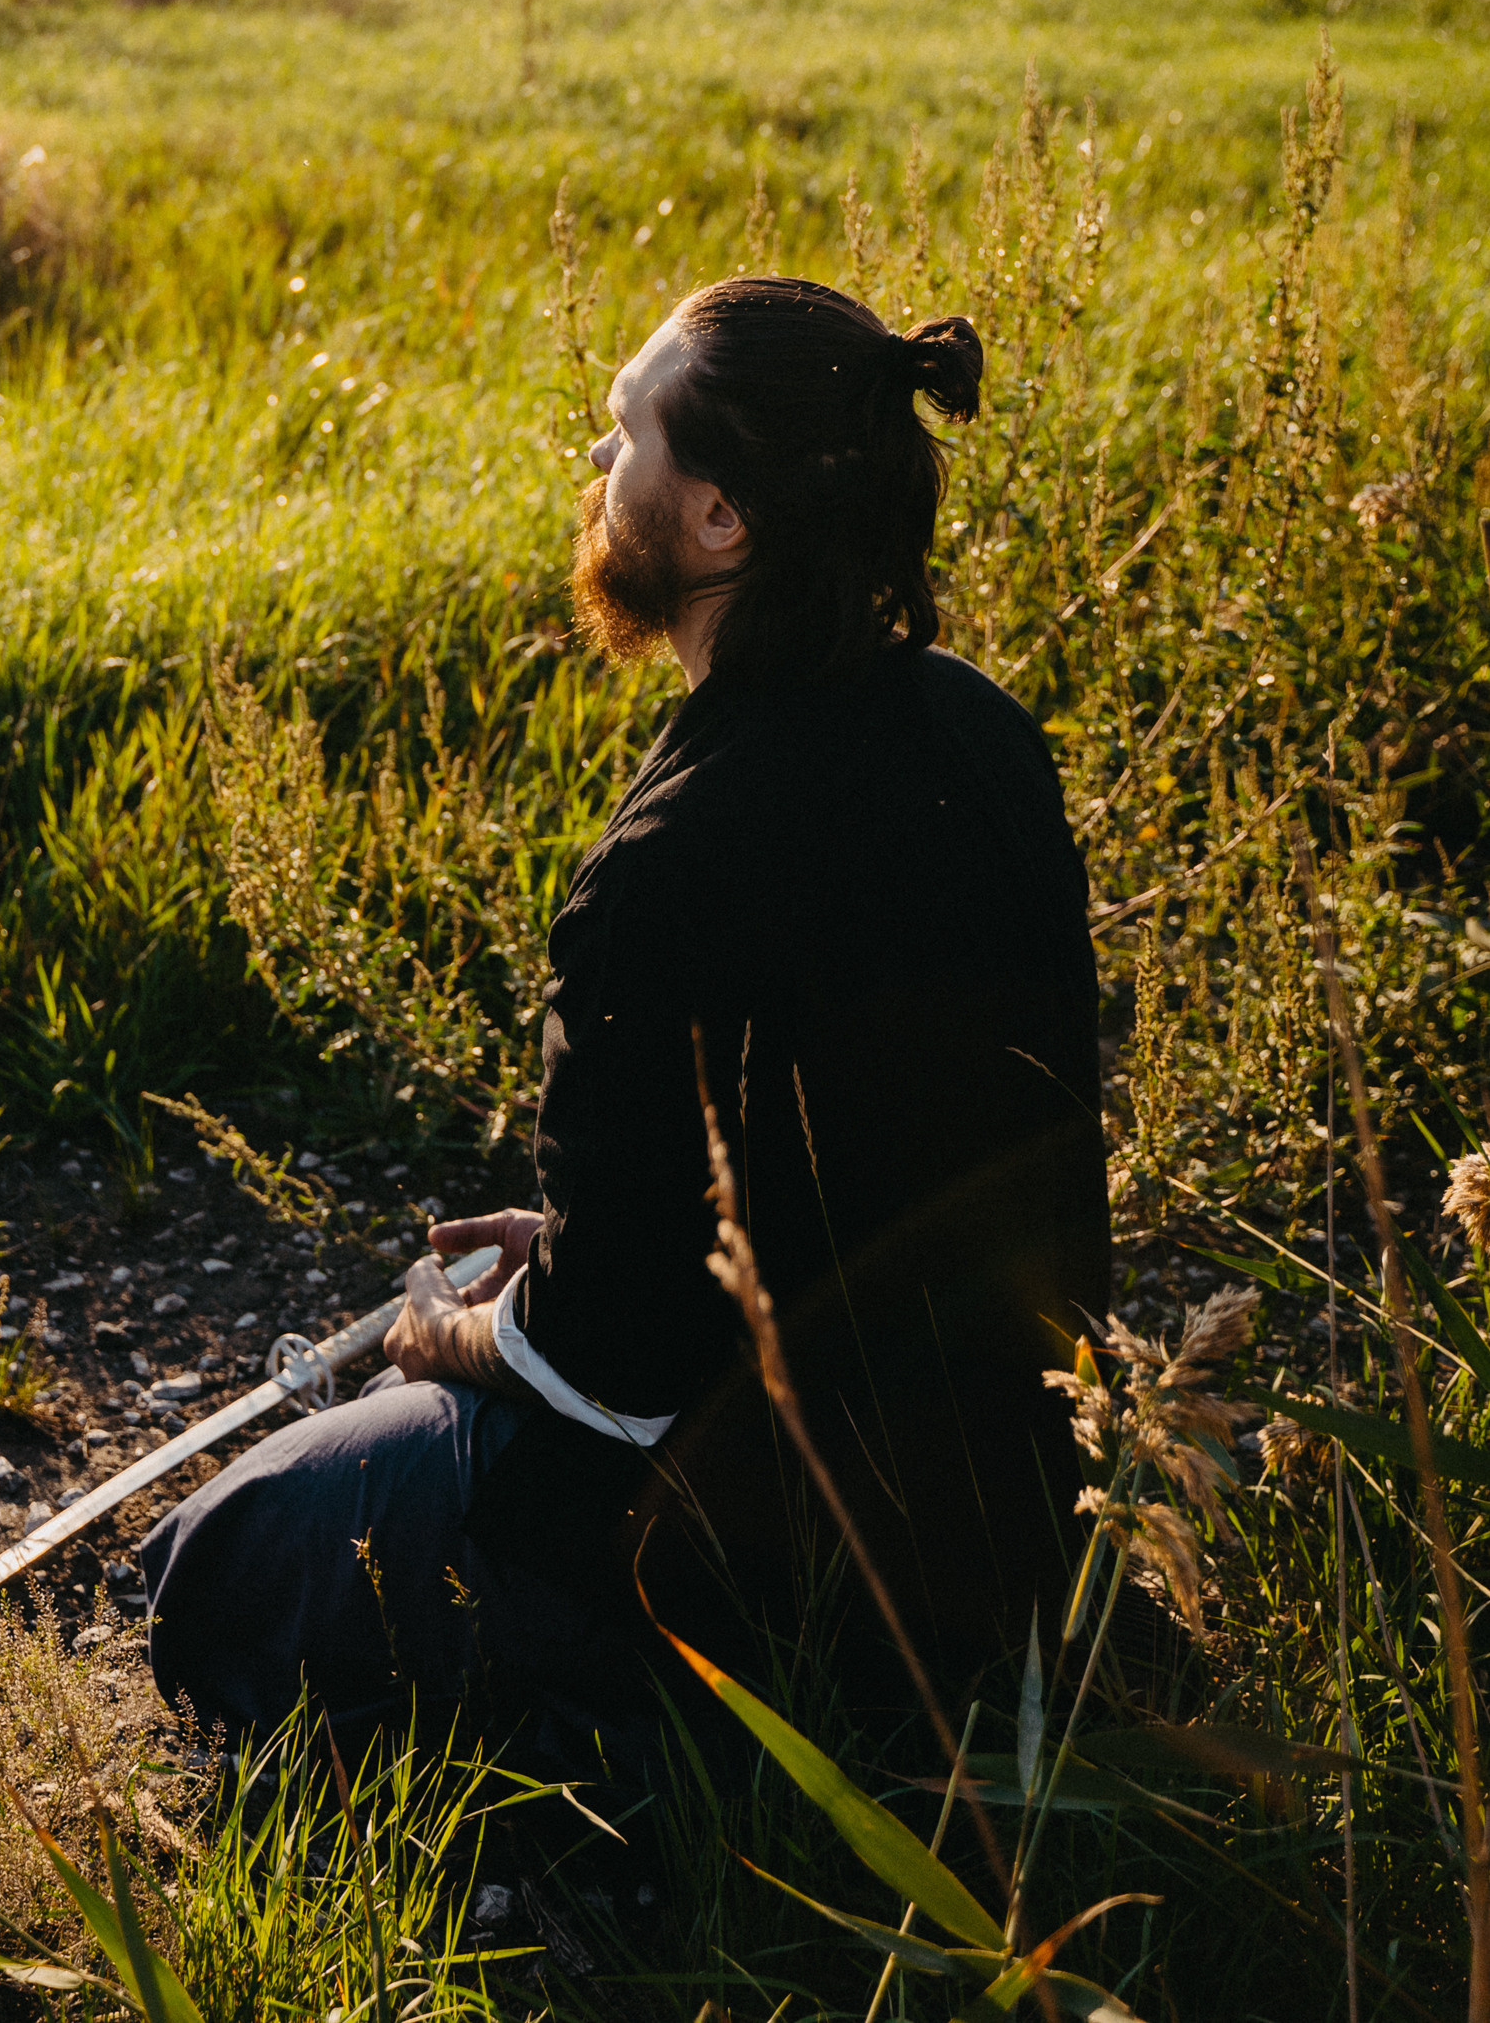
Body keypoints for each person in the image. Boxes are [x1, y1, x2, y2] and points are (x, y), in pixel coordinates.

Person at [142, 276, 1109, 1756]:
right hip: (1019, 1512)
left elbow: (611, 1375)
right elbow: (897, 1155)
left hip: (772, 1563)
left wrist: (443, 1335)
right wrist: (599, 1245)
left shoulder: (666, 870)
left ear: (719, 519)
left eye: (624, 437)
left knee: (215, 1560)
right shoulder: (980, 731)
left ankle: (616, 1766)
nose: (595, 471)